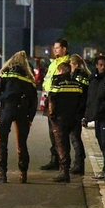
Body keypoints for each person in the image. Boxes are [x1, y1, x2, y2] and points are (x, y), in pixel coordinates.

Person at [0, 51, 38, 184]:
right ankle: (23, 173)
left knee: (2, 142)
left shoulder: (5, 73)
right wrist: (30, 118)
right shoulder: (28, 78)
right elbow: (34, 101)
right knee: (22, 143)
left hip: (6, 109)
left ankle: (2, 174)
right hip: (22, 111)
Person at [47, 61, 85, 183]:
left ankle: (64, 171)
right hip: (74, 118)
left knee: (62, 145)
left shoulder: (57, 83)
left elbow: (52, 100)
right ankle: (78, 164)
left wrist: (52, 115)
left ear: (61, 71)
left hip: (60, 119)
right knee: (74, 140)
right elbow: (81, 102)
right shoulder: (77, 84)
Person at [39, 38, 71, 170]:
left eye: (57, 48)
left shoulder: (68, 63)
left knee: (61, 133)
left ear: (64, 49)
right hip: (51, 98)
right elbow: (47, 80)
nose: (55, 50)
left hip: (61, 101)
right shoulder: (53, 64)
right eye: (54, 48)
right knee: (52, 133)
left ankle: (63, 162)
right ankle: (55, 159)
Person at [68, 54, 91, 176]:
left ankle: (79, 163)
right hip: (79, 110)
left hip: (77, 110)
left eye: (71, 65)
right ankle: (79, 161)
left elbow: (79, 94)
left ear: (75, 65)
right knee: (75, 136)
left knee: (74, 137)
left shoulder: (79, 76)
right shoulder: (84, 74)